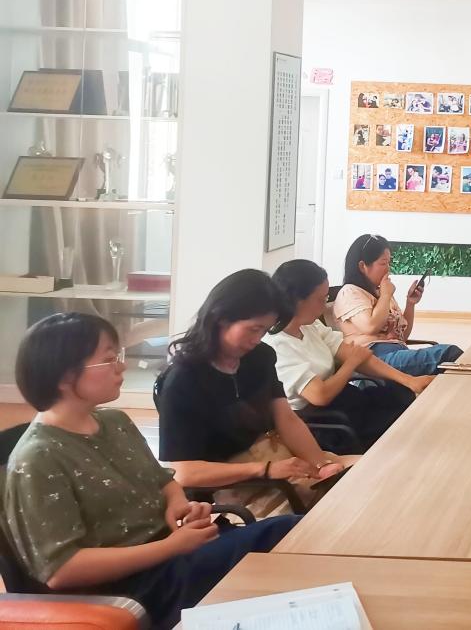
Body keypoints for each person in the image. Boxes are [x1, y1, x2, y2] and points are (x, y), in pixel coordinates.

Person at [1, 313, 298, 630]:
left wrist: (179, 506)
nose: (121, 366)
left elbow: (163, 481)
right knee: (283, 535)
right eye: (108, 359)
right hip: (136, 588)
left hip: (173, 557)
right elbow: (61, 570)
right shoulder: (38, 458)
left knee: (287, 545)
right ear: (64, 377)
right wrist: (171, 547)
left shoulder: (114, 421)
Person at [156, 269, 354, 516]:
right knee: (331, 514)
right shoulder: (184, 381)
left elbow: (286, 419)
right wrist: (265, 470)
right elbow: (184, 472)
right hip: (234, 483)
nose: (257, 339)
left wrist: (320, 464)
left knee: (358, 478)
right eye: (253, 329)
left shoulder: (260, 357)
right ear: (221, 318)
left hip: (278, 458)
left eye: (264, 330)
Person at [266, 260, 429, 452]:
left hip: (342, 400)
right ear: (297, 301)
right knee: (398, 423)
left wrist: (409, 380)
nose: (325, 305)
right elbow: (320, 395)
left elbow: (358, 356)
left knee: (402, 395)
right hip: (321, 420)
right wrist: (350, 364)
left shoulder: (310, 326)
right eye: (320, 299)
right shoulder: (277, 344)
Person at [333, 234, 463, 376]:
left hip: (396, 353)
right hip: (373, 360)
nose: (388, 269)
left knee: (448, 364)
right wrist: (386, 295)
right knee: (449, 354)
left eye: (389, 263)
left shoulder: (381, 292)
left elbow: (402, 336)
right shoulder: (350, 292)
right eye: (383, 263)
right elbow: (370, 327)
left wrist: (410, 304)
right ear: (362, 266)